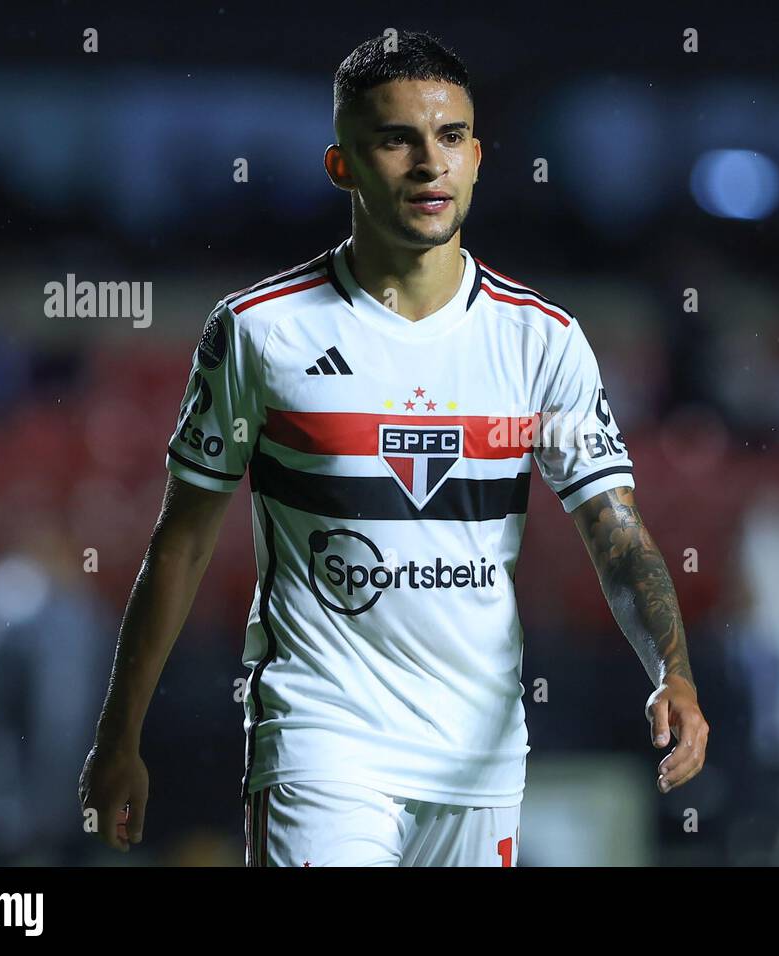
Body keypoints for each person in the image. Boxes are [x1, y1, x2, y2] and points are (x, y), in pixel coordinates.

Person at [79, 29, 708, 867]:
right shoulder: (260, 332)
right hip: (320, 742)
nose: (428, 164)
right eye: (395, 139)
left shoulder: (541, 341)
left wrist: (674, 668)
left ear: (478, 158)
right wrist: (119, 734)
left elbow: (615, 532)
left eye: (450, 138)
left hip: (480, 760)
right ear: (341, 164)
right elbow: (183, 540)